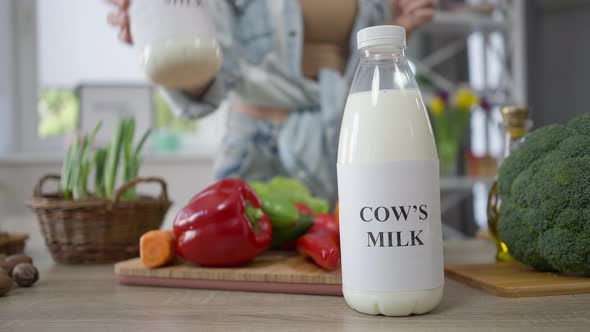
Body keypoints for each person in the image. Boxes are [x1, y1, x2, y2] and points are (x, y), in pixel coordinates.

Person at [107, 0, 437, 203]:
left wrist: (394, 28)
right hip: (260, 153)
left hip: (346, 145)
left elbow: (363, 77)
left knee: (348, 282)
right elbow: (210, 82)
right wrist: (169, 45)